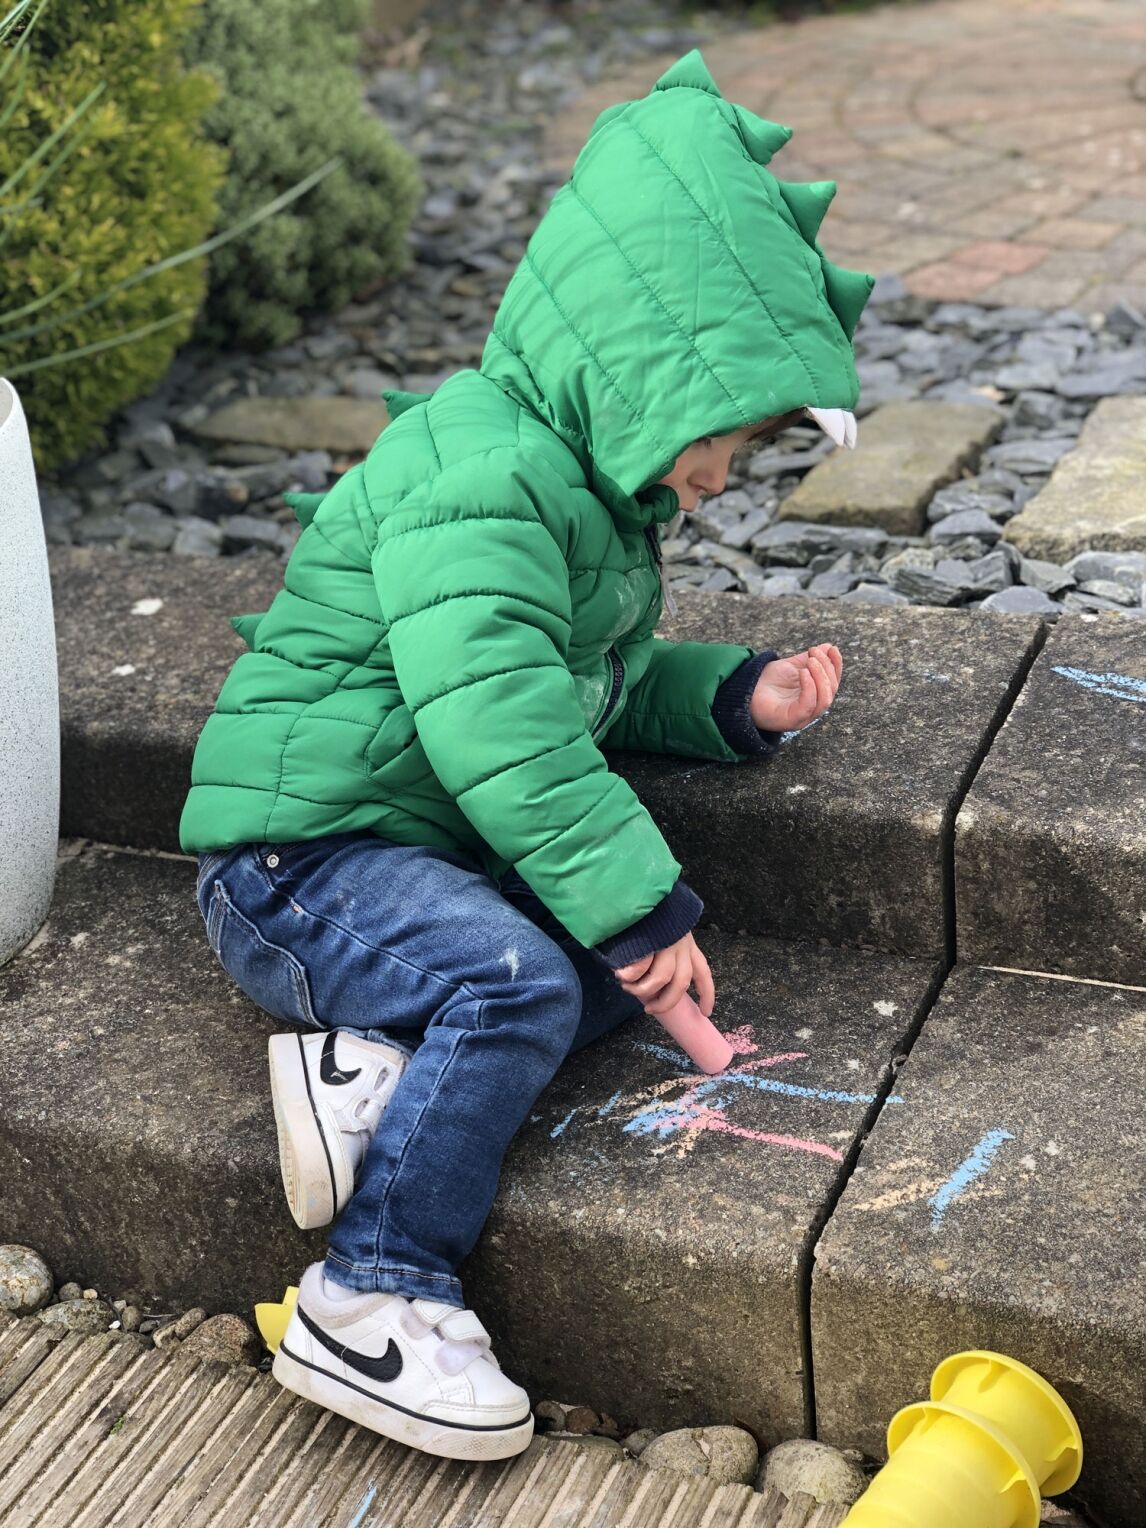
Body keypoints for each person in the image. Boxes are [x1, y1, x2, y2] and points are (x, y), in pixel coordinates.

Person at [181, 47, 869, 1462]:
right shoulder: (477, 477)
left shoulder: (574, 494)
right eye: (728, 438)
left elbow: (581, 686)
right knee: (521, 975)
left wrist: (734, 700)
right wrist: (632, 898)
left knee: (588, 975)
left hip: (392, 859)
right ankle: (371, 1289)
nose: (725, 476)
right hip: (297, 867)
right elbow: (497, 714)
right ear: (641, 378)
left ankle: (365, 1062)